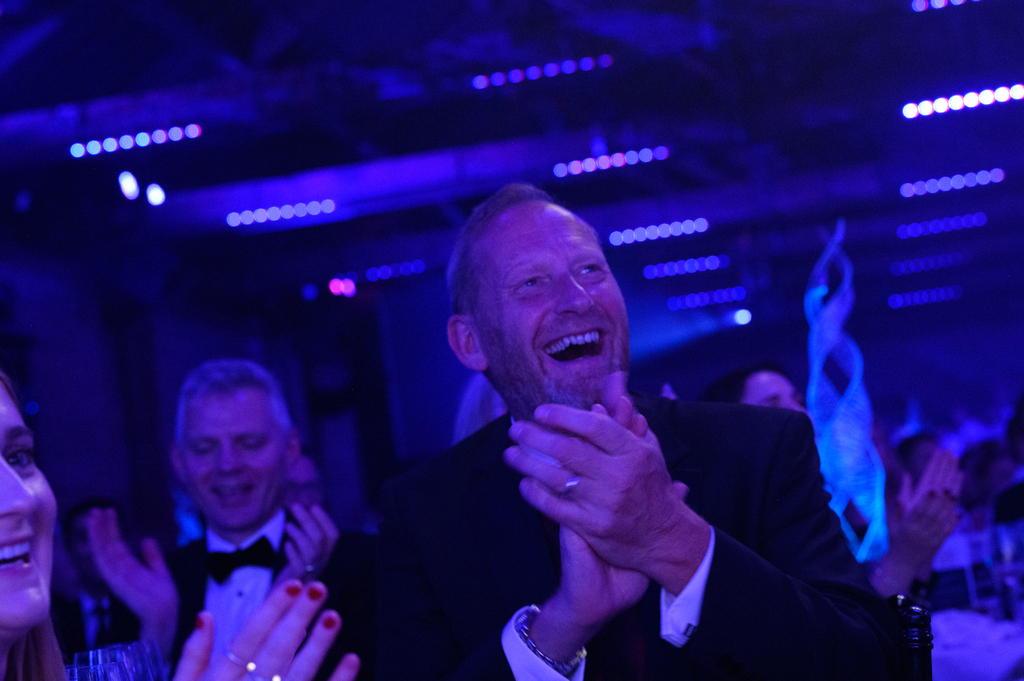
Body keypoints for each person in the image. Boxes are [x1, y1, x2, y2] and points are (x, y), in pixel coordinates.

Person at [376, 183, 901, 680]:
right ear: (470, 343)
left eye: (591, 270)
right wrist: (562, 626)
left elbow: (869, 665)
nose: (578, 299)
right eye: (531, 283)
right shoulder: (425, 511)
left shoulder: (760, 449)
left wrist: (674, 540)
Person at [0, 365, 360, 681]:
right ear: (178, 460)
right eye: (204, 448)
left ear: (291, 448)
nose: (228, 465)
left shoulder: (363, 564)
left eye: (249, 443)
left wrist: (298, 598)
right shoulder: (152, 590)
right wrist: (156, 633)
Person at [50, 499, 142, 661]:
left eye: (105, 537)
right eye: (84, 537)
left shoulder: (144, 612)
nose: (96, 549)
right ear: (68, 547)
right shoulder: (55, 619)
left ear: (125, 542)